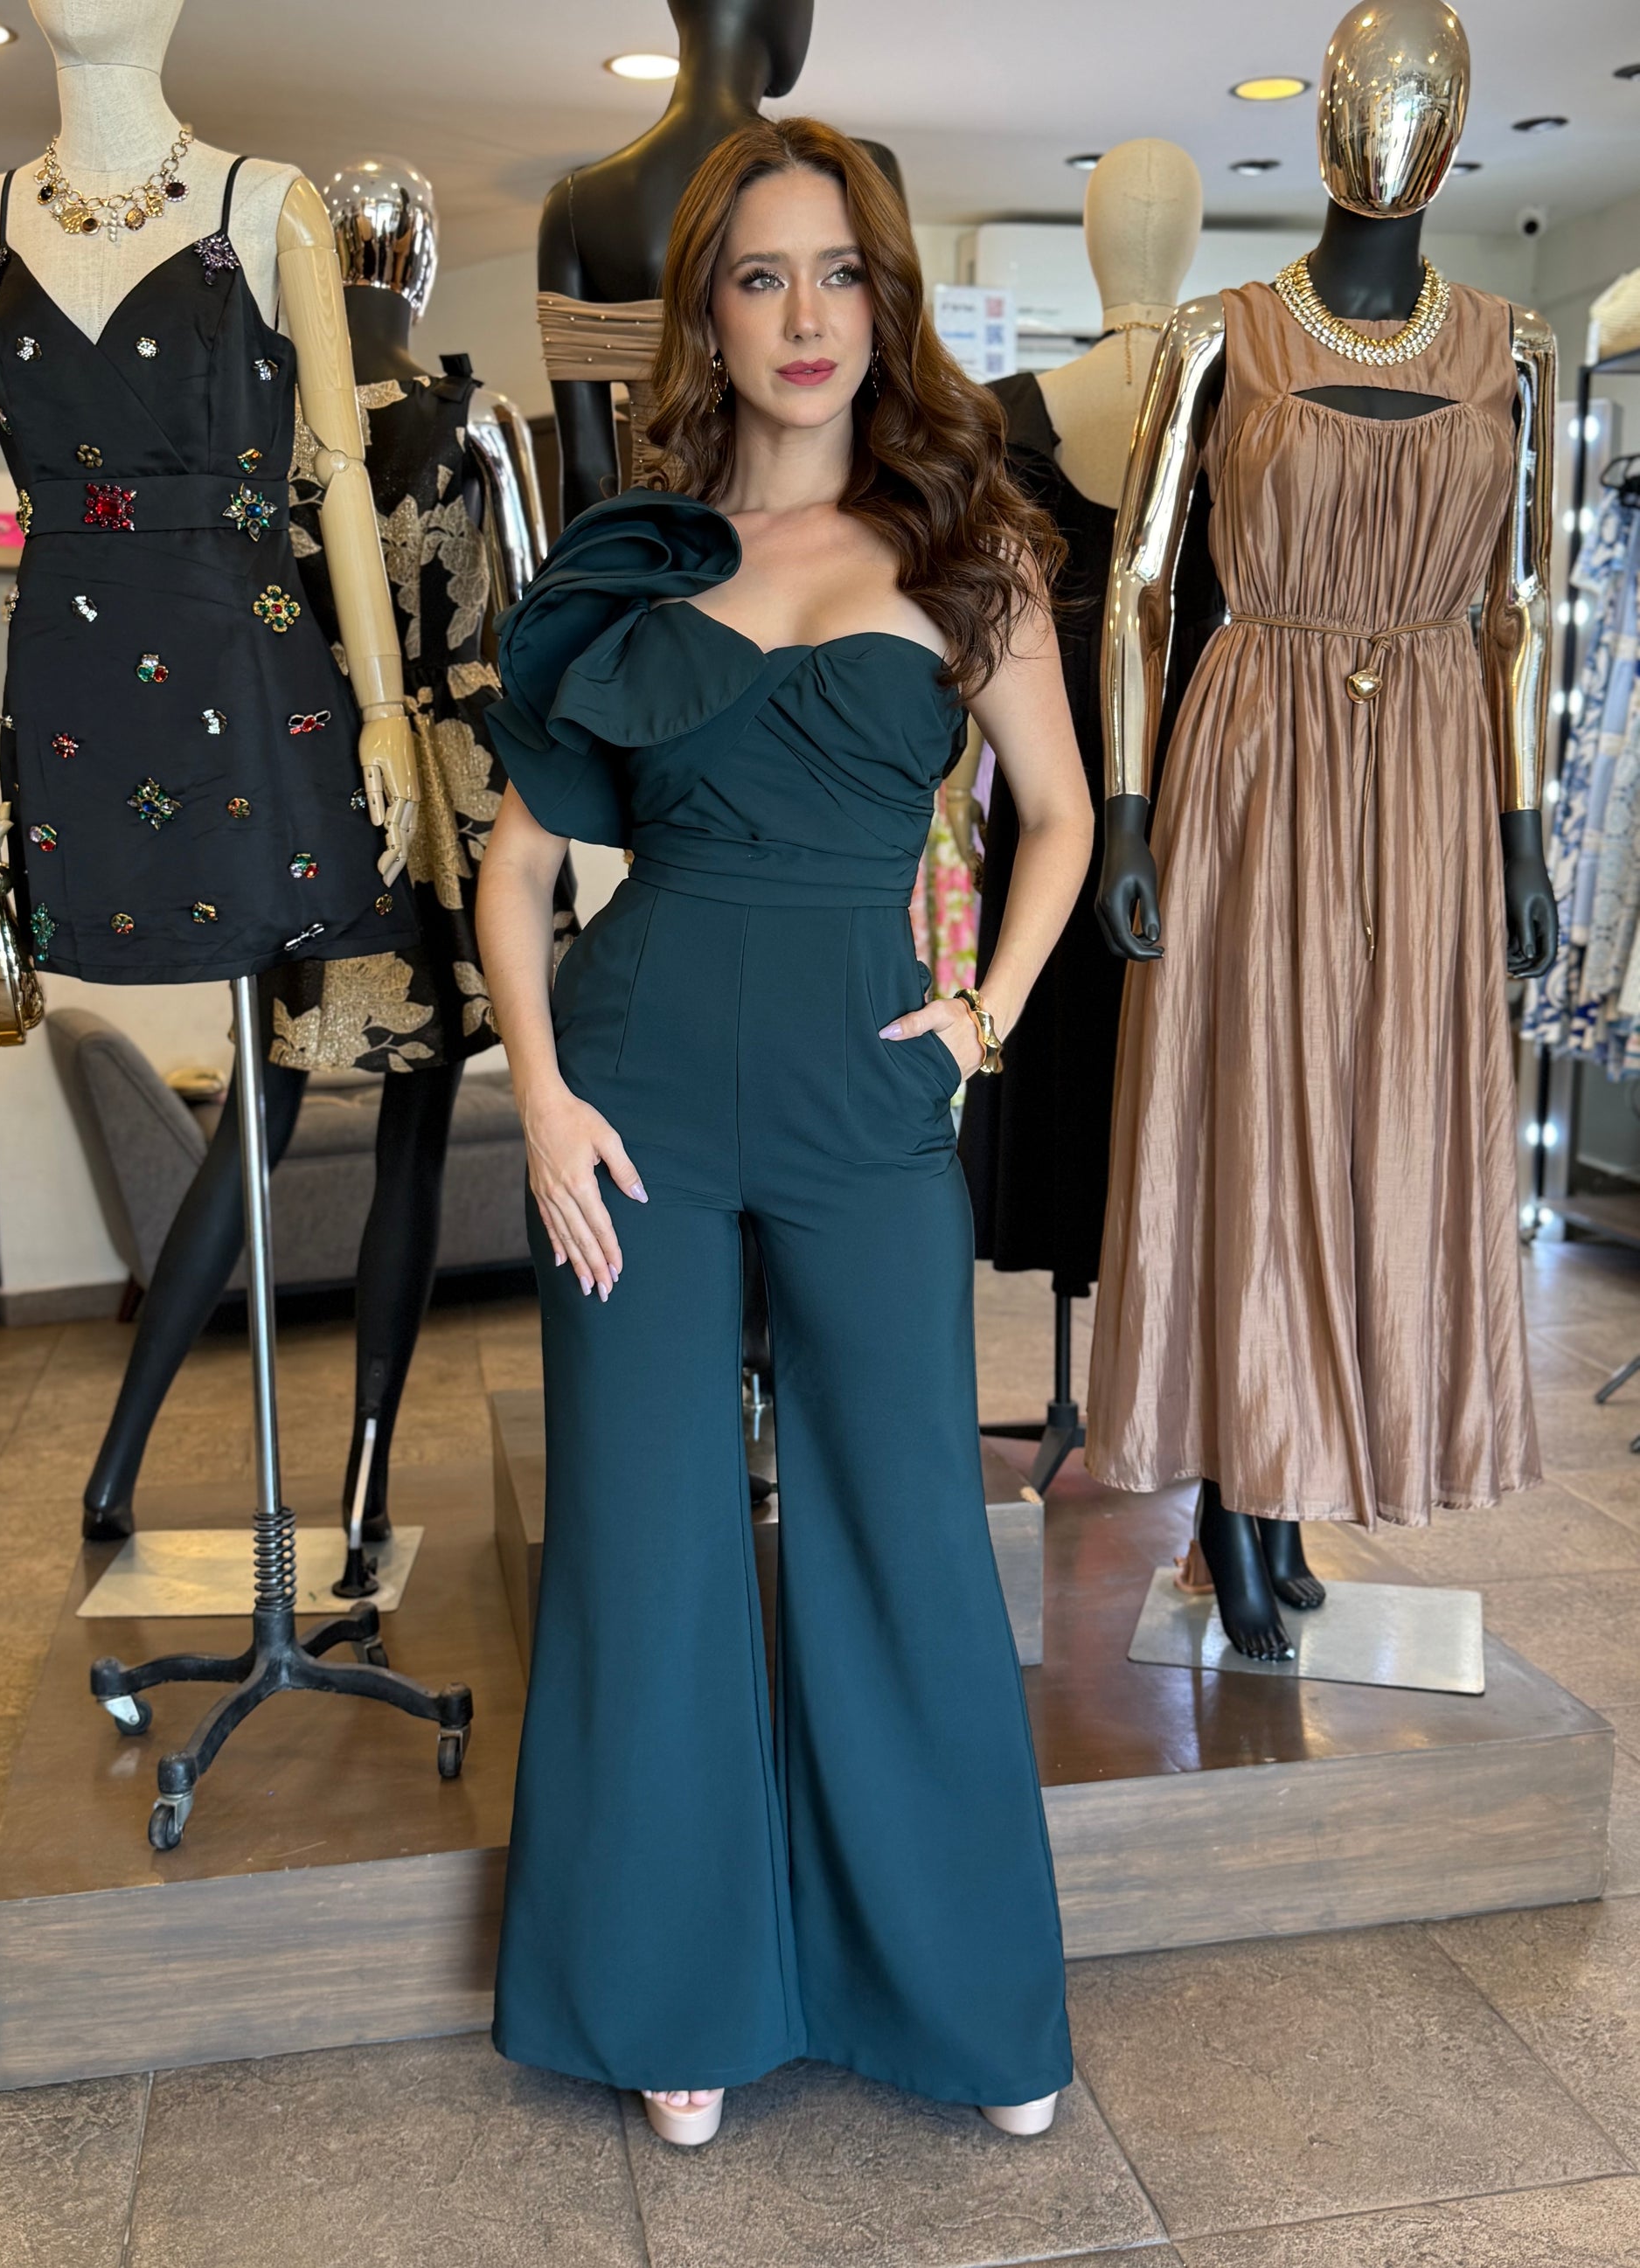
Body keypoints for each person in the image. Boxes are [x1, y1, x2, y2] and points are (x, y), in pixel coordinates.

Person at [476, 115, 1092, 2148]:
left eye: (838, 272)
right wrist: (539, 1093)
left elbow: (1061, 816)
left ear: (883, 304)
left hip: (863, 1099)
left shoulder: (969, 546)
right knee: (643, 1539)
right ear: (710, 316)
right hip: (631, 1097)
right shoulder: (629, 559)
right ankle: (676, 1994)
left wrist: (982, 1020)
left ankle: (960, 1992)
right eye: (761, 276)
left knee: (906, 1523)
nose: (804, 313)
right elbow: (517, 866)